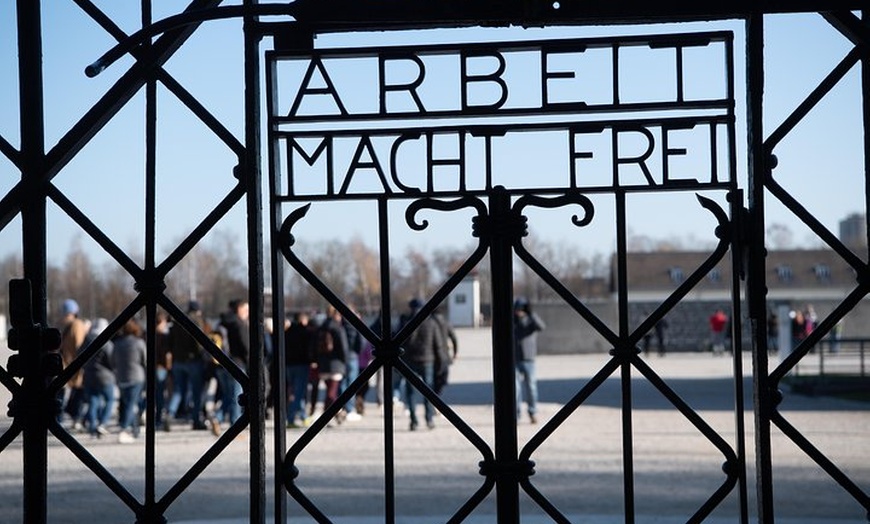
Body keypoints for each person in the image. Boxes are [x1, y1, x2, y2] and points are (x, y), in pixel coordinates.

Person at [401, 298, 445, 431]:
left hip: (410, 361)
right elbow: (438, 345)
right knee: (428, 392)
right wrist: (441, 362)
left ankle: (413, 421)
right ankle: (429, 419)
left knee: (410, 393)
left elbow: (400, 343)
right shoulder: (431, 323)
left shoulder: (406, 323)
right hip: (427, 361)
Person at [164, 301, 208, 431]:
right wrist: (201, 354)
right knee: (196, 392)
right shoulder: (197, 320)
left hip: (178, 361)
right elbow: (198, 341)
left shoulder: (177, 320)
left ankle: (169, 414)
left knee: (178, 390)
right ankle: (195, 420)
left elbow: (170, 341)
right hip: (193, 360)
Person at [111, 318, 146, 443]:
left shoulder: (117, 343)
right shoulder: (139, 343)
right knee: (132, 404)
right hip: (136, 377)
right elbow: (145, 360)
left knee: (129, 404)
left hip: (122, 377)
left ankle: (135, 430)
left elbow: (113, 361)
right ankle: (124, 428)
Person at [313, 306, 348, 424]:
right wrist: (345, 362)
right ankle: (337, 412)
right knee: (331, 393)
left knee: (330, 392)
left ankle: (333, 414)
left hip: (323, 364)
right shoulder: (337, 328)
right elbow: (343, 347)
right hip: (336, 364)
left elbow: (314, 347)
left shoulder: (320, 328)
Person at [218, 299, 251, 425]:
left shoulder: (224, 322)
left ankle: (218, 417)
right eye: (246, 309)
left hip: (224, 363)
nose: (248, 312)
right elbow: (245, 345)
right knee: (237, 394)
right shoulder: (239, 324)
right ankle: (235, 422)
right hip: (239, 362)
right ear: (240, 309)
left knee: (228, 393)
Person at [58, 299, 89, 429]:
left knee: (76, 395)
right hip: (69, 365)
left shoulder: (76, 326)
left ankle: (77, 418)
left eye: (66, 314)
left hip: (75, 366)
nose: (64, 317)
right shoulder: (69, 326)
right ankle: (72, 417)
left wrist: (80, 366)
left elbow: (79, 345)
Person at [81, 318, 114, 437]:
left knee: (93, 400)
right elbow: (111, 360)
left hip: (89, 375)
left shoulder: (87, 340)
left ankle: (92, 426)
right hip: (105, 376)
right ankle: (103, 423)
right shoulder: (105, 341)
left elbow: (79, 354)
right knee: (110, 399)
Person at [514, 297, 545, 424]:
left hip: (529, 358)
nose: (519, 311)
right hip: (514, 358)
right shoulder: (512, 320)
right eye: (517, 309)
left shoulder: (531, 320)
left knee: (531, 387)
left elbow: (541, 326)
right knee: (515, 389)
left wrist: (531, 313)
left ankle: (532, 412)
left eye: (522, 309)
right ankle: (516, 414)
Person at [284, 311, 315, 428]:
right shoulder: (305, 332)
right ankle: (290, 418)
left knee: (293, 392)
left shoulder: (287, 333)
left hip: (288, 365)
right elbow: (310, 349)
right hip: (302, 364)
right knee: (299, 392)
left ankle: (303, 416)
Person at [341, 308, 364, 421]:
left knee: (343, 383)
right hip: (353, 356)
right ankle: (349, 409)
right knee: (352, 384)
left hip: (342, 358)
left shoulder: (341, 325)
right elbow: (361, 342)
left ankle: (342, 407)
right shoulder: (355, 326)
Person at [431, 307, 458, 395]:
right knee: (442, 375)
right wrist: (455, 352)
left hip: (431, 353)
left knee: (433, 376)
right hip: (444, 353)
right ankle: (438, 393)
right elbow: (454, 338)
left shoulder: (429, 322)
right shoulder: (446, 323)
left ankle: (434, 394)